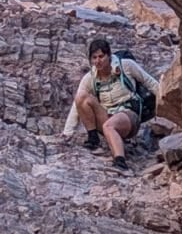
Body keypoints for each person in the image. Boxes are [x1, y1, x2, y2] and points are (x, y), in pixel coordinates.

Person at [62, 38, 159, 173]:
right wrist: (68, 132)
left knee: (109, 126)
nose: (98, 61)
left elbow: (151, 83)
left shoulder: (126, 66)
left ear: (109, 55)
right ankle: (93, 138)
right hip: (107, 113)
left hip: (129, 114)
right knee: (81, 97)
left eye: (101, 56)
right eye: (94, 57)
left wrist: (169, 104)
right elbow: (77, 104)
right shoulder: (90, 77)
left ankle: (120, 162)